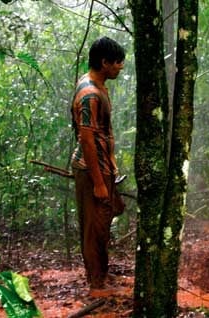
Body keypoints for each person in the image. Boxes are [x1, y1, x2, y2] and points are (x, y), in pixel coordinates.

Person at [71, 36, 126, 295]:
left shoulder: (100, 85)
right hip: (92, 169)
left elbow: (102, 132)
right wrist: (99, 181)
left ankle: (100, 277)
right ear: (104, 63)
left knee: (105, 220)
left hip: (104, 166)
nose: (121, 67)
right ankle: (96, 285)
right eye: (117, 62)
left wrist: (112, 164)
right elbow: (87, 138)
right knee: (95, 229)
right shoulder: (89, 94)